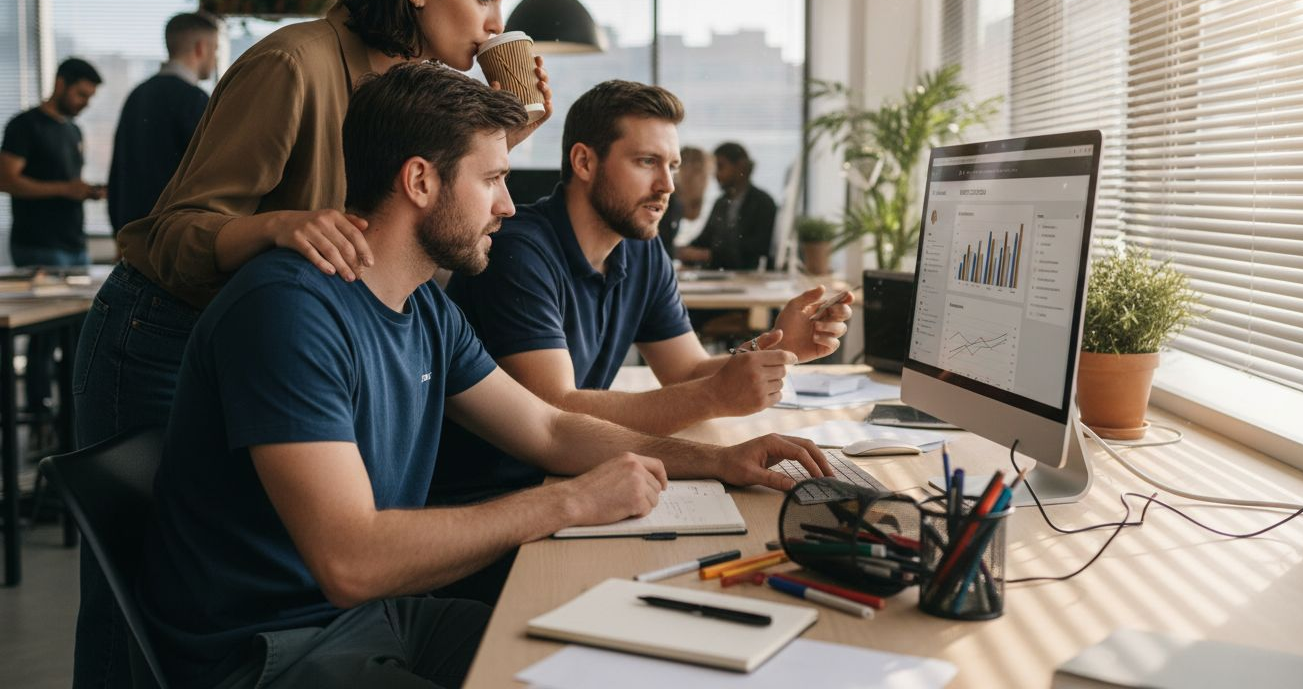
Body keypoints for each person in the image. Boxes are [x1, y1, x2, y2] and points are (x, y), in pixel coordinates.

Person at [140, 61, 829, 689]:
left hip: (382, 616)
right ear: (420, 181)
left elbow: (550, 428)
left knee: (623, 668)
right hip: (272, 653)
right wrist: (568, 502)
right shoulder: (288, 310)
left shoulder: (425, 308)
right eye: (493, 179)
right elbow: (351, 562)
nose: (507, 205)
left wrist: (721, 461)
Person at [70, 0, 550, 687]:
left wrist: (498, 142)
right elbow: (165, 233)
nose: (497, 24)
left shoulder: (409, 86)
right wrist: (275, 225)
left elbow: (419, 206)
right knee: (135, 596)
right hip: (163, 329)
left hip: (279, 335)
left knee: (283, 565)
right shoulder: (293, 63)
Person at [441, 80, 853, 504]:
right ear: (584, 162)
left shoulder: (640, 248)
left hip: (574, 477)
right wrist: (713, 397)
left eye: (672, 165)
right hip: (492, 496)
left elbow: (686, 370)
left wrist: (779, 349)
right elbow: (555, 409)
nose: (667, 185)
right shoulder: (517, 251)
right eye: (647, 162)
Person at [0, 57, 105, 416]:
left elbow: (68, 183)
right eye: (81, 94)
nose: (85, 103)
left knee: (79, 334)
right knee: (43, 337)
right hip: (39, 244)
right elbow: (6, 180)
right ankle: (39, 408)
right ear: (61, 84)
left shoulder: (74, 131)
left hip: (74, 243)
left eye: (90, 97)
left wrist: (86, 191)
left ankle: (73, 415)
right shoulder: (24, 125)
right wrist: (64, 189)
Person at [107, 12, 218, 234]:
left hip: (133, 230)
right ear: (201, 48)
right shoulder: (194, 100)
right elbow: (210, 172)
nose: (215, 58)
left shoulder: (137, 94)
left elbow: (119, 168)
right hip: (171, 233)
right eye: (215, 49)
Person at [678, 142, 777, 270]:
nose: (716, 175)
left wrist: (710, 255)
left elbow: (758, 248)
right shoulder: (721, 203)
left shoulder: (763, 203)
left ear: (740, 167)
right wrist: (683, 251)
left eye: (721, 167)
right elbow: (704, 240)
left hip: (749, 275)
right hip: (720, 274)